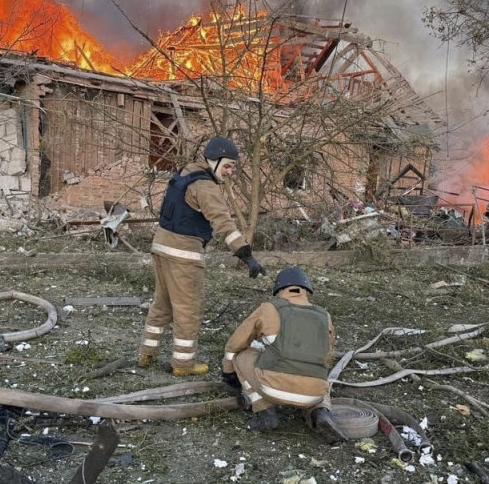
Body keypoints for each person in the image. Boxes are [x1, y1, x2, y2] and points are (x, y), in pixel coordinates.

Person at [137, 136, 266, 376]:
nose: (229, 172)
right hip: (183, 254)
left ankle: (147, 353)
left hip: (161, 247)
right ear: (213, 161)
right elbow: (223, 223)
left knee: (161, 304)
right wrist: (246, 255)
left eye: (232, 168)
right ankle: (183, 365)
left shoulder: (185, 174)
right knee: (188, 309)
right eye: (227, 166)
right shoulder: (205, 186)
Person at [220, 266, 340, 442]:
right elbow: (326, 353)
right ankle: (320, 410)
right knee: (319, 369)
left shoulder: (269, 308)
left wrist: (228, 371)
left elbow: (235, 343)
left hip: (273, 389)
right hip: (313, 394)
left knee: (241, 355)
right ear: (307, 290)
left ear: (279, 289)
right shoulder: (324, 315)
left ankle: (265, 411)